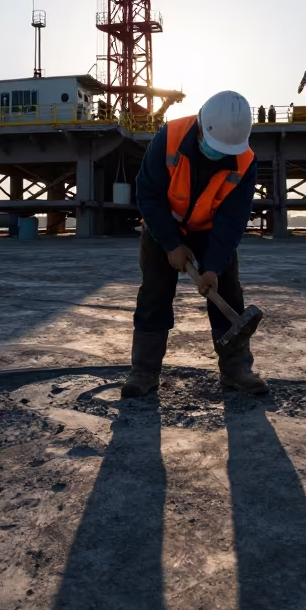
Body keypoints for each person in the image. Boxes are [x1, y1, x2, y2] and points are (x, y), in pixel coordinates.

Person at [122, 91, 267, 398]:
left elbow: (232, 220)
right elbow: (148, 195)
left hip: (211, 232)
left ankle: (236, 370)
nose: (218, 154)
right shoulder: (170, 137)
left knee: (228, 291)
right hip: (164, 227)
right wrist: (171, 245)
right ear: (200, 125)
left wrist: (213, 267)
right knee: (154, 294)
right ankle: (144, 373)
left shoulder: (244, 161)